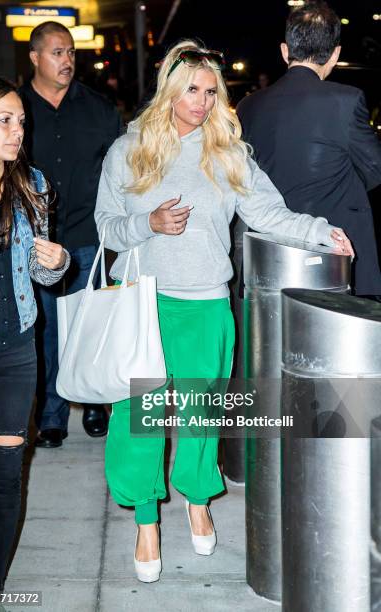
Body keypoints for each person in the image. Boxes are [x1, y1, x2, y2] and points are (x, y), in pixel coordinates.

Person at [94, 39, 353, 584]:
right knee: (138, 419)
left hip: (207, 301)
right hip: (143, 303)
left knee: (201, 416)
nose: (203, 101)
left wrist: (319, 232)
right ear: (169, 87)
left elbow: (269, 212)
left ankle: (196, 499)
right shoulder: (130, 150)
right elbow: (106, 229)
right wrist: (148, 224)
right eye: (192, 88)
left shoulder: (227, 154)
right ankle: (146, 522)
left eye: (211, 92)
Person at [0, 75, 70, 611]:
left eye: (21, 121)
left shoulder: (31, 183)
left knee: (6, 476)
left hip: (14, 350)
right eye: (4, 120)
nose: (17, 131)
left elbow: (43, 274)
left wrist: (56, 263)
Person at [20, 21, 123, 448]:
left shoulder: (98, 109)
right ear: (35, 58)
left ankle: (95, 402)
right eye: (57, 53)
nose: (67, 61)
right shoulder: (17, 108)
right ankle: (51, 417)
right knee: (45, 331)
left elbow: (122, 170)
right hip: (35, 242)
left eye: (70, 53)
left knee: (90, 324)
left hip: (87, 235)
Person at [236, 1, 381, 297]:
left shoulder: (248, 106)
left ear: (285, 51)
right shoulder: (346, 101)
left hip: (270, 247)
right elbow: (375, 167)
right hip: (335, 250)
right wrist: (340, 186)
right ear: (336, 53)